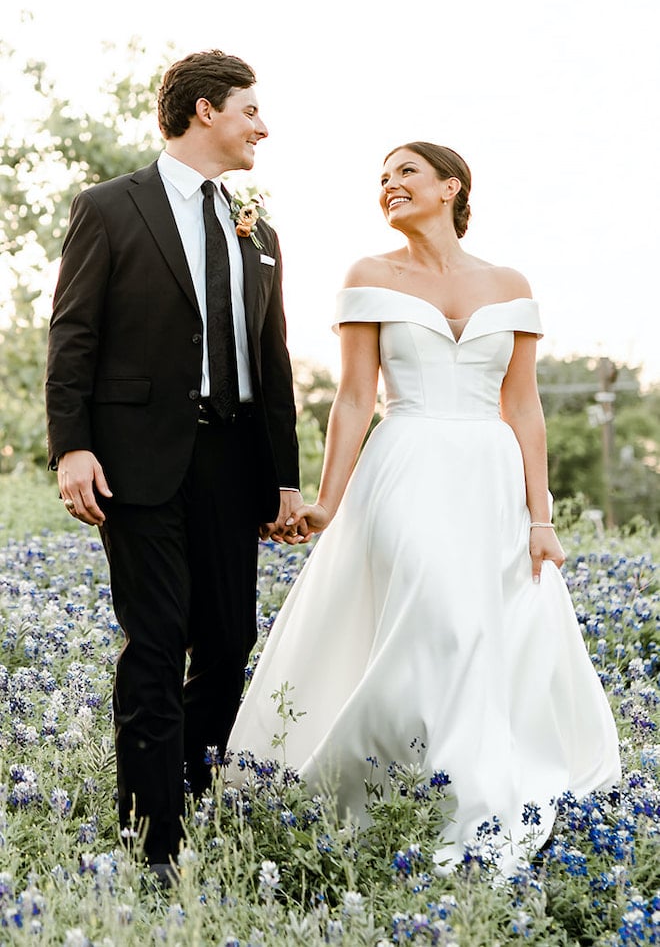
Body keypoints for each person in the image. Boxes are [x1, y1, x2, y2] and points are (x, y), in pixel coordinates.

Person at [226, 142, 621, 873]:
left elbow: (524, 406)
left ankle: (452, 791)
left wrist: (543, 520)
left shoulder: (509, 282)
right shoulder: (368, 275)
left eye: (405, 172)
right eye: (381, 179)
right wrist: (325, 501)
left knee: (477, 624)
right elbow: (352, 399)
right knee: (437, 612)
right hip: (405, 466)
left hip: (490, 474)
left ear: (451, 187)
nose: (389, 186)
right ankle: (437, 799)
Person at [45, 50, 302, 881]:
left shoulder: (257, 227)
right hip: (136, 460)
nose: (263, 125)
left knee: (228, 646)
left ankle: (186, 796)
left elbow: (275, 363)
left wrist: (285, 479)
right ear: (203, 112)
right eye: (251, 110)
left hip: (233, 461)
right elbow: (73, 333)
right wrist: (71, 444)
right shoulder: (111, 207)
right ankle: (152, 845)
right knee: (156, 643)